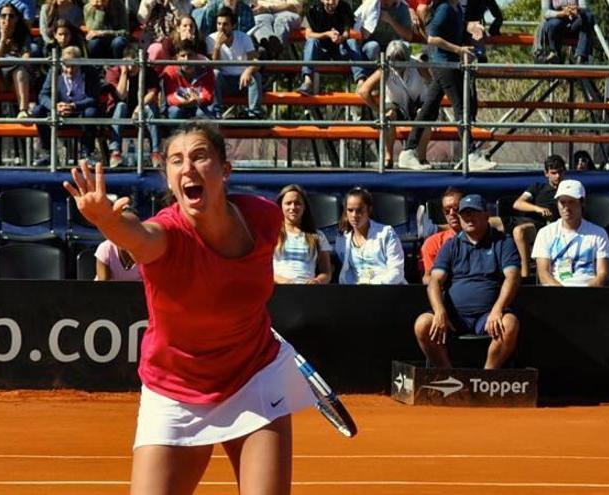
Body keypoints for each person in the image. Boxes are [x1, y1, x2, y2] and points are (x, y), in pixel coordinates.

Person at [63, 122, 314, 495]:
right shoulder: (166, 234)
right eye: (176, 161)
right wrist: (108, 221)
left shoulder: (264, 217)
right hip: (175, 389)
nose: (188, 168)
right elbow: (137, 234)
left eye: (200, 156)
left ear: (225, 170)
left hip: (254, 376)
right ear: (168, 179)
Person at [413, 193, 521, 369]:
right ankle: (450, 377)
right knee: (422, 324)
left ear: (486, 215)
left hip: (488, 315)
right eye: (465, 214)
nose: (469, 218)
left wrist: (498, 309)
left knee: (510, 324)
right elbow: (434, 281)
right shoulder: (451, 245)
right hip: (453, 316)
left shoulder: (503, 242)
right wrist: (439, 311)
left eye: (474, 213)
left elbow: (513, 277)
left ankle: (486, 379)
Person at [396, 0, 496, 172]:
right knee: (460, 108)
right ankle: (470, 154)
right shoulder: (444, 9)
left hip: (449, 64)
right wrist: (458, 50)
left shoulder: (456, 9)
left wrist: (471, 27)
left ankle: (408, 151)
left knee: (430, 109)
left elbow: (453, 29)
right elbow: (432, 38)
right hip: (444, 65)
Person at [357, 39, 429, 168]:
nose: (399, 65)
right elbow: (363, 91)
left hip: (417, 103)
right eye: (396, 60)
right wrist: (379, 110)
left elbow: (432, 82)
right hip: (395, 105)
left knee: (424, 115)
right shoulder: (386, 68)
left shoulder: (418, 65)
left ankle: (422, 159)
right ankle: (388, 158)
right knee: (389, 116)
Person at [533, 179, 609, 287]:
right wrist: (564, 295)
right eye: (562, 202)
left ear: (582, 203)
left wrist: (582, 295)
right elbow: (543, 274)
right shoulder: (545, 233)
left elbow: (603, 273)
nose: (566, 207)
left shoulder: (599, 234)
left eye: (571, 202)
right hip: (556, 294)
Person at [34, 45, 99, 163]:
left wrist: (74, 106)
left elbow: (93, 98)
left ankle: (87, 153)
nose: (69, 70)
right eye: (66, 66)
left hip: (80, 111)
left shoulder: (90, 72)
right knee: (38, 110)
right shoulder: (54, 71)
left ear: (79, 63)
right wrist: (55, 106)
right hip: (59, 112)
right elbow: (43, 95)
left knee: (91, 112)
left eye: (73, 66)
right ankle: (48, 153)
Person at [103, 45, 161, 167]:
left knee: (151, 108)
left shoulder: (149, 71)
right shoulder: (113, 72)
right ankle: (115, 152)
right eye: (129, 63)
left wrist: (139, 107)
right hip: (119, 112)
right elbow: (121, 95)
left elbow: (152, 92)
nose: (132, 68)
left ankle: (156, 152)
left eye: (136, 64)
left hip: (140, 109)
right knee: (121, 106)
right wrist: (124, 73)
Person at [335, 187, 406, 285]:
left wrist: (372, 285)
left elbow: (397, 272)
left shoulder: (386, 233)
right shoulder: (342, 238)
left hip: (387, 291)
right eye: (350, 210)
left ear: (369, 210)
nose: (354, 215)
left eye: (359, 210)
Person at [511, 154, 565, 278]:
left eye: (560, 172)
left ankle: (525, 274)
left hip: (543, 226)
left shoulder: (567, 190)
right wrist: (537, 209)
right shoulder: (537, 187)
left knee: (519, 231)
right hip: (525, 219)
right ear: (546, 173)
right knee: (490, 222)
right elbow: (518, 203)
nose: (558, 176)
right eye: (553, 173)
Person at [206, 6, 262, 119]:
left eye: (225, 24)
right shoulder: (211, 39)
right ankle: (217, 113)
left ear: (233, 25)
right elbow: (213, 66)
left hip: (243, 82)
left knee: (256, 75)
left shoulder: (244, 37)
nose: (221, 28)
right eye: (219, 24)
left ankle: (254, 114)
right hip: (224, 82)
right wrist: (217, 48)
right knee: (214, 74)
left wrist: (248, 70)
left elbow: (256, 61)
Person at [273, 184, 332, 284]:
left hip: (307, 294)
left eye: (297, 203)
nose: (293, 207)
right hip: (278, 291)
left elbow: (326, 272)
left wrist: (318, 281)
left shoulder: (317, 236)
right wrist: (281, 280)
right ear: (281, 206)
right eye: (288, 203)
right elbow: (261, 269)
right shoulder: (272, 233)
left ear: (304, 207)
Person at [0, 3, 31, 120]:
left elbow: (26, 61)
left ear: (17, 18)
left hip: (17, 80)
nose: (7, 19)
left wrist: (0, 62)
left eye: (11, 16)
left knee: (20, 71)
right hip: (0, 79)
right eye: (3, 16)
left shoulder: (23, 35)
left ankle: (23, 111)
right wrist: (3, 40)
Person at [296, 0, 356, 96]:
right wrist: (327, 34)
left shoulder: (345, 8)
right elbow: (308, 35)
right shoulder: (312, 9)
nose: (331, 2)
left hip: (339, 50)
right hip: (319, 52)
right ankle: (307, 82)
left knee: (352, 42)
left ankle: (361, 81)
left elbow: (346, 32)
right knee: (311, 41)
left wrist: (341, 38)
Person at [351, 0, 413, 85]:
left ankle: (402, 86)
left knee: (404, 46)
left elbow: (408, 36)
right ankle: (370, 84)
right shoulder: (371, 6)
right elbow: (360, 35)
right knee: (373, 46)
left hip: (392, 48)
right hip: (369, 50)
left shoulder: (402, 8)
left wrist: (390, 20)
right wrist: (372, 19)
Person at [161, 39, 215, 119]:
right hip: (180, 106)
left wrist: (198, 100)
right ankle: (175, 132)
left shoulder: (206, 70)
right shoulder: (169, 70)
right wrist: (184, 102)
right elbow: (170, 97)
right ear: (177, 58)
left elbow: (208, 95)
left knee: (203, 114)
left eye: (190, 55)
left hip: (200, 105)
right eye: (183, 56)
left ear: (196, 56)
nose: (187, 59)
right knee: (174, 112)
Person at [420, 186, 463, 284]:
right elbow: (427, 278)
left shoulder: (479, 237)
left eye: (456, 209)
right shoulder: (433, 242)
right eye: (447, 211)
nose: (451, 213)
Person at [542, 0, 593, 64]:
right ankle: (554, 54)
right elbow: (545, 12)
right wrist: (562, 13)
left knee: (588, 16)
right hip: (557, 22)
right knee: (553, 24)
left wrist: (576, 10)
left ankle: (581, 56)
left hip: (575, 23)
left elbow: (584, 8)